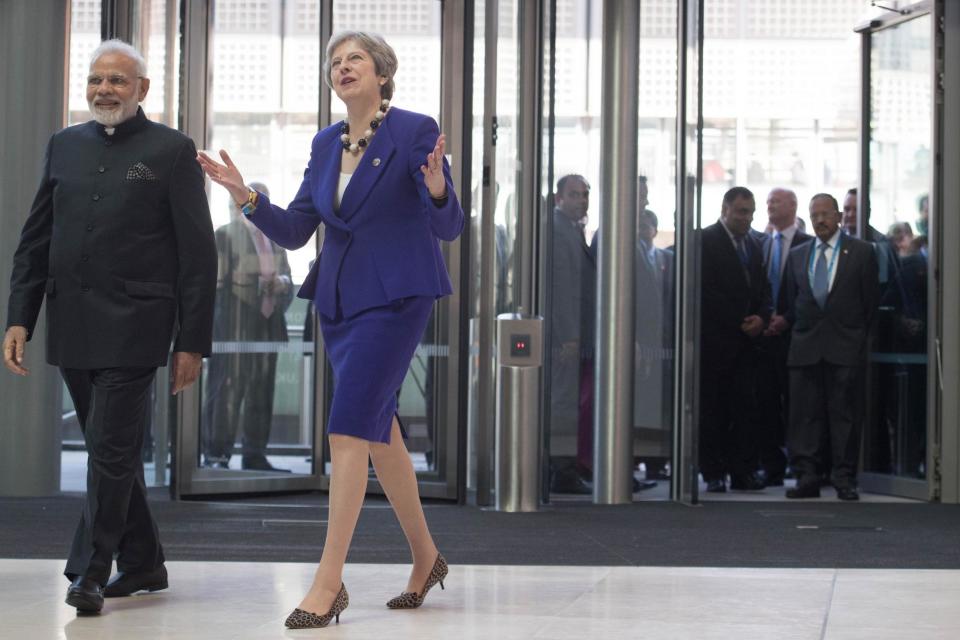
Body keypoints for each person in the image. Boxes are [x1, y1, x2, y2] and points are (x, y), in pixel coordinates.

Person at [197, 31, 462, 629]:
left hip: (396, 298)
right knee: (377, 431)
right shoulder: (324, 143)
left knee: (347, 430)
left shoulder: (414, 129)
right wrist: (244, 196)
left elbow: (448, 226)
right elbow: (294, 230)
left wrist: (440, 187)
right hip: (340, 302)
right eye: (335, 63)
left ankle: (328, 581)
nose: (342, 68)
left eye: (355, 60)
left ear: (382, 73)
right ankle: (426, 558)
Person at [3, 40, 217, 613]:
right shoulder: (63, 145)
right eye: (96, 79)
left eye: (118, 81)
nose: (104, 90)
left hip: (137, 326)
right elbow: (35, 239)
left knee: (112, 452)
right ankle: (144, 561)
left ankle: (90, 571)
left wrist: (192, 341)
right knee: (108, 449)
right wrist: (20, 317)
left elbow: (198, 255)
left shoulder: (172, 151)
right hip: (72, 322)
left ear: (142, 89)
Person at [783, 194, 879, 500]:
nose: (820, 221)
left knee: (844, 417)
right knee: (804, 417)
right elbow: (788, 302)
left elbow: (871, 304)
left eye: (825, 214)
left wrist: (857, 338)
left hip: (845, 345)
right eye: (814, 216)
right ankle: (807, 477)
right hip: (805, 346)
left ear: (838, 216)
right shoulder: (798, 254)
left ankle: (844, 478)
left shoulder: (862, 253)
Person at [202, 182, 295, 472]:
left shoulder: (275, 237)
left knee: (261, 392)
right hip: (234, 329)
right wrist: (254, 285)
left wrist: (280, 283)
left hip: (268, 328)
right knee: (227, 391)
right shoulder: (225, 236)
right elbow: (216, 286)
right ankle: (217, 455)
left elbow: (289, 277)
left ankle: (255, 453)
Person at [699, 186, 771, 493]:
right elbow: (703, 291)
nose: (747, 218)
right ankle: (713, 472)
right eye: (742, 212)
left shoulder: (754, 245)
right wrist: (738, 321)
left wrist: (762, 318)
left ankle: (742, 472)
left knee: (745, 410)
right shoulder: (703, 240)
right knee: (713, 410)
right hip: (715, 342)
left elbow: (763, 289)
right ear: (725, 209)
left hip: (746, 346)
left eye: (751, 212)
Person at [755, 188, 812, 486]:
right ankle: (772, 466)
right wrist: (765, 318)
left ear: (792, 205)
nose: (769, 206)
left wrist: (786, 319)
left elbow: (809, 291)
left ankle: (800, 463)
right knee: (765, 403)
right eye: (767, 202)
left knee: (797, 404)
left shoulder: (809, 245)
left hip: (796, 336)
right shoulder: (762, 243)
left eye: (775, 201)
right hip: (765, 338)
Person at [548, 174, 595, 494]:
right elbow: (560, 286)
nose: (582, 200)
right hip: (565, 336)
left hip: (575, 333)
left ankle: (564, 468)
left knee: (568, 401)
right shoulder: (556, 228)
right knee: (563, 402)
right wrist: (568, 336)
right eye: (575, 194)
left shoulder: (573, 229)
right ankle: (561, 471)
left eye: (585, 194)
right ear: (559, 198)